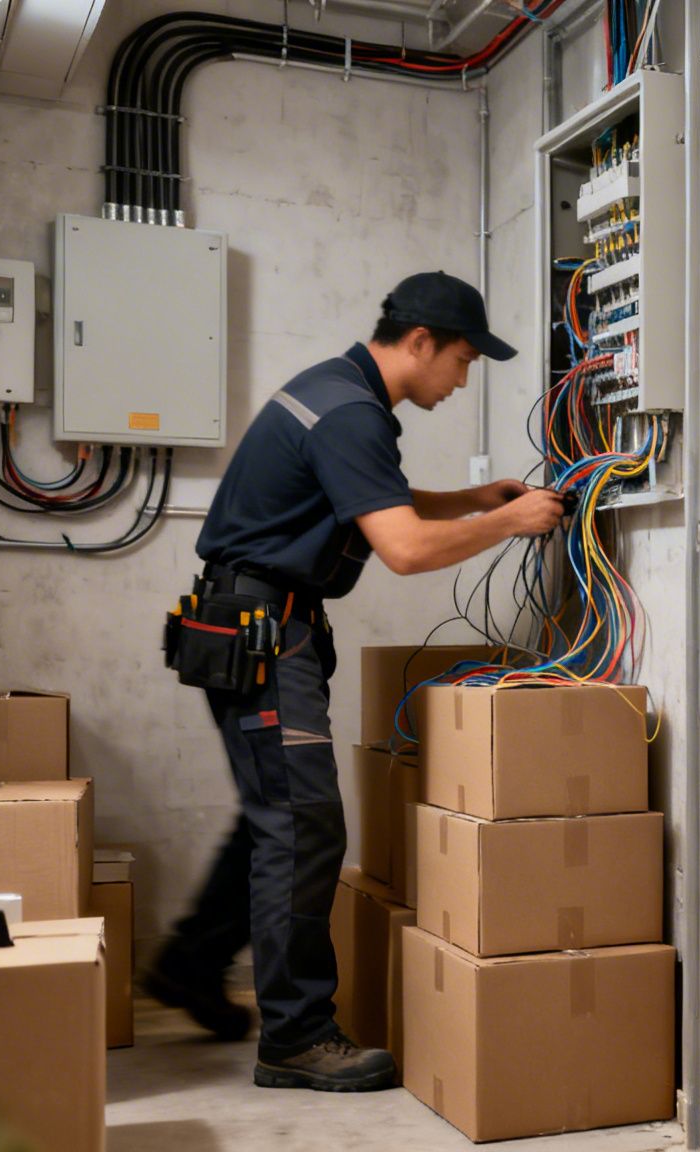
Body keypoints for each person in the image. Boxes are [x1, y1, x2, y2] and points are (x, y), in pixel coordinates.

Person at [145, 271, 565, 1092]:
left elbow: (374, 501)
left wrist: (472, 499)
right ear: (420, 344)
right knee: (303, 829)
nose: (463, 378)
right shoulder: (352, 411)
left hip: (251, 625)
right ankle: (296, 1038)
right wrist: (506, 521)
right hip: (265, 632)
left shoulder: (338, 396)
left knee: (275, 819)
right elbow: (402, 549)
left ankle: (189, 969)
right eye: (464, 360)